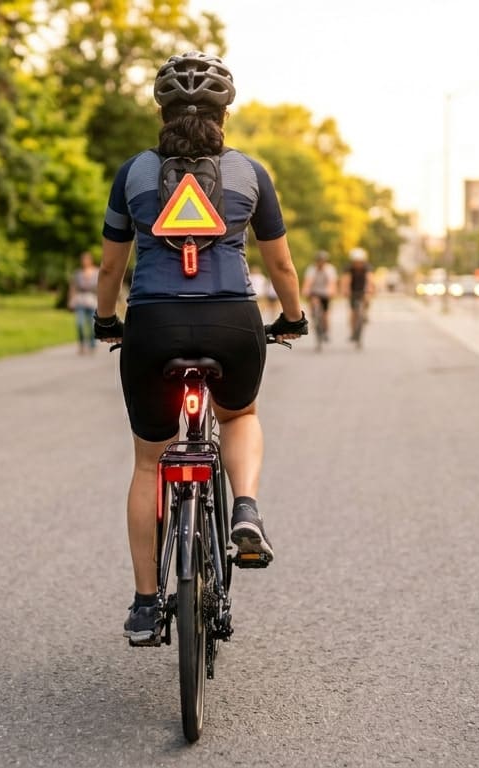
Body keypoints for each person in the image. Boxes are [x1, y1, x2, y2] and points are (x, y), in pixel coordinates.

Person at [91, 51, 308, 643]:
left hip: (153, 325)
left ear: (161, 113)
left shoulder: (133, 173)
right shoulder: (249, 174)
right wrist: (293, 318)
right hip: (231, 323)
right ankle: (246, 508)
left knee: (148, 461)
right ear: (224, 115)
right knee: (239, 415)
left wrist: (107, 322)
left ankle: (144, 605)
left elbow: (110, 270)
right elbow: (282, 266)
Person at [340, 248, 375, 347]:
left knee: (367, 297)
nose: (358, 264)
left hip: (363, 290)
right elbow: (346, 280)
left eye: (360, 262)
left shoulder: (367, 267)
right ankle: (353, 332)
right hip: (353, 291)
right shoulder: (349, 268)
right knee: (353, 312)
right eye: (356, 262)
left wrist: (370, 289)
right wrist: (345, 290)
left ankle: (365, 313)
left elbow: (370, 279)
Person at [301, 251, 337, 342]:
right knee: (313, 303)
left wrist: (331, 291)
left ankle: (326, 331)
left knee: (325, 314)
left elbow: (332, 282)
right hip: (314, 292)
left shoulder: (330, 269)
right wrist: (305, 289)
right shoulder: (311, 269)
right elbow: (308, 281)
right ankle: (314, 318)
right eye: (319, 261)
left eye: (323, 261)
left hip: (325, 292)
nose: (321, 263)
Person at [70, 251, 99, 354]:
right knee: (80, 323)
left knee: (92, 325)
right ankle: (82, 344)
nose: (84, 261)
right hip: (80, 301)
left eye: (86, 259)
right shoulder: (78, 273)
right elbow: (73, 287)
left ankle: (92, 345)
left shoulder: (97, 272)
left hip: (92, 300)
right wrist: (71, 300)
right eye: (83, 259)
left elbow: (101, 287)